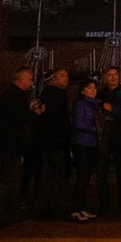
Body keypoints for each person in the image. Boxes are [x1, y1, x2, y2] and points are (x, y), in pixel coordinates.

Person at [0, 68, 40, 227]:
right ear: (22, 78)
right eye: (30, 79)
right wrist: (34, 113)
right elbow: (19, 118)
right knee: (9, 178)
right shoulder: (15, 96)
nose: (31, 83)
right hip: (11, 143)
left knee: (11, 177)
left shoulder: (10, 94)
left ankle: (6, 212)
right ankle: (1, 213)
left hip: (10, 142)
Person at [32, 67, 72, 219]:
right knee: (55, 174)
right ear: (54, 78)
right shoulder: (55, 96)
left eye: (66, 76)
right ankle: (52, 207)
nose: (66, 79)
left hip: (53, 140)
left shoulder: (52, 95)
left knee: (51, 174)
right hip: (55, 141)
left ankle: (49, 206)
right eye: (62, 76)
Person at [96, 66, 121, 218]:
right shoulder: (99, 94)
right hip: (104, 139)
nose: (113, 78)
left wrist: (113, 110)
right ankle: (105, 206)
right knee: (102, 174)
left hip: (120, 138)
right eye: (109, 75)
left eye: (115, 74)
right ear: (105, 77)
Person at [70, 78, 105, 221]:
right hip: (82, 144)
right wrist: (95, 129)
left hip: (92, 144)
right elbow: (79, 123)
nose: (93, 91)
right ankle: (76, 208)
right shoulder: (80, 105)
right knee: (82, 176)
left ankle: (81, 207)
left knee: (87, 176)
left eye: (94, 88)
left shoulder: (95, 105)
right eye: (89, 88)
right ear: (82, 90)